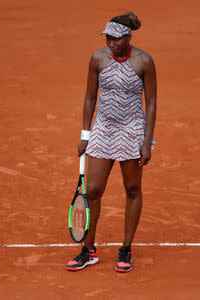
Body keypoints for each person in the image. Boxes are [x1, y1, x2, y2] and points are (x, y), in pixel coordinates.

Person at [66, 11, 157, 273]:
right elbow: (89, 98)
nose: (110, 42)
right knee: (92, 190)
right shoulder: (98, 58)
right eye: (107, 37)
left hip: (132, 130)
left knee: (132, 189)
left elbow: (150, 103)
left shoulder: (144, 61)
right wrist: (86, 135)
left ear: (128, 37)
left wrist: (147, 140)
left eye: (116, 38)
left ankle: (126, 248)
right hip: (103, 129)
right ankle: (89, 250)